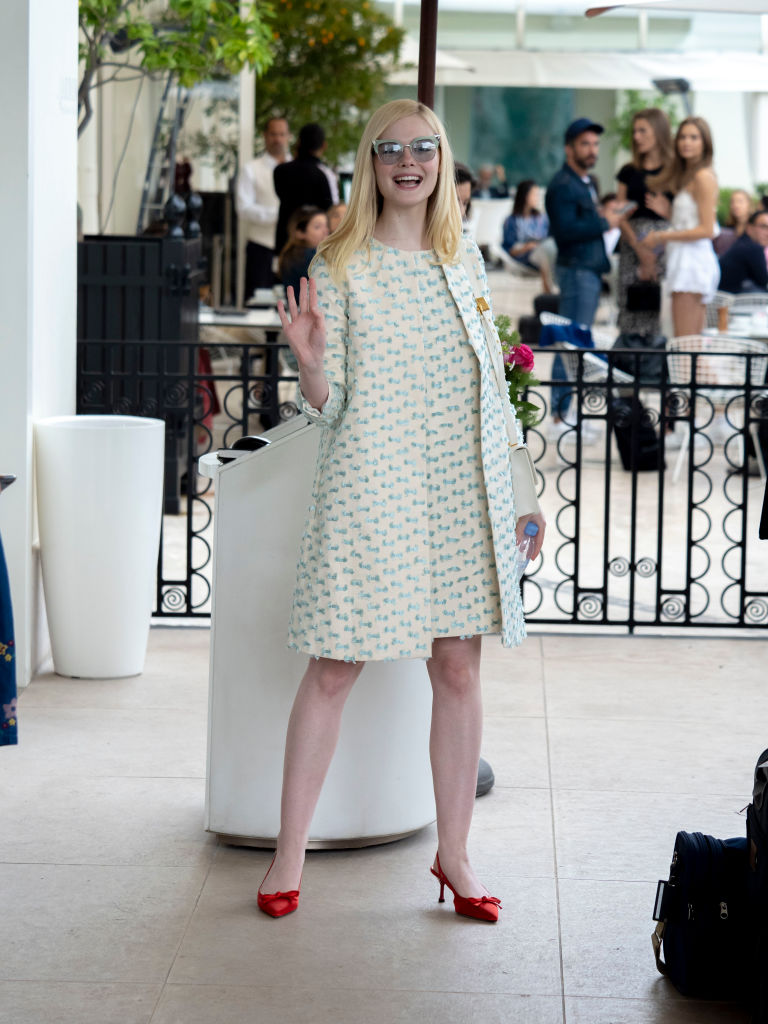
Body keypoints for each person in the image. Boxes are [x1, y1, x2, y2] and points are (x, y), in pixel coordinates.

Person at [263, 98, 546, 923]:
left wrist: (521, 494)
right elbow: (329, 403)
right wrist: (310, 365)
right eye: (392, 150)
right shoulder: (338, 265)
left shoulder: (462, 262)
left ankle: (454, 856)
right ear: (371, 162)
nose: (409, 162)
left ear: (442, 158)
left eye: (424, 147)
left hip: (461, 488)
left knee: (458, 669)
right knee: (334, 665)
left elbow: (493, 392)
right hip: (373, 484)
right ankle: (288, 854)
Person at [545, 118, 623, 424]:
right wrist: (605, 222)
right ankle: (559, 417)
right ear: (569, 149)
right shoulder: (564, 185)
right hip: (577, 271)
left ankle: (564, 413)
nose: (592, 150)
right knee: (571, 344)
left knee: (576, 342)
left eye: (595, 144)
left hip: (586, 271)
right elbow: (564, 230)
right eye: (584, 144)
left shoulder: (583, 182)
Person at [643, 117, 720, 337]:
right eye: (683, 137)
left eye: (694, 137)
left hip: (691, 264)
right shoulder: (689, 177)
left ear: (705, 143)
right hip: (684, 261)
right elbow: (693, 223)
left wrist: (660, 236)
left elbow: (706, 230)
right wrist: (669, 213)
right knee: (688, 343)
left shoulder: (703, 177)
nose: (686, 142)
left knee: (685, 345)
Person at [615, 108, 674, 341]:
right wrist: (640, 249)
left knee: (660, 309)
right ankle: (629, 364)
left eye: (643, 130)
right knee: (631, 307)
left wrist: (666, 211)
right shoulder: (629, 172)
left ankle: (656, 367)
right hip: (632, 247)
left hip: (665, 246)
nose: (637, 136)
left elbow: (682, 218)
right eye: (635, 131)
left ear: (659, 132)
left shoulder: (674, 172)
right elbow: (620, 214)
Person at [236, 117, 291, 296]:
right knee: (257, 303)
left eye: (282, 134)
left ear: (288, 137)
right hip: (261, 248)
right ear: (265, 136)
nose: (278, 139)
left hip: (292, 249)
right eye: (274, 134)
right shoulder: (251, 169)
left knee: (293, 304)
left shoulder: (296, 168)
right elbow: (243, 208)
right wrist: (279, 215)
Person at [274, 123, 338, 255]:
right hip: (316, 246)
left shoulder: (280, 170)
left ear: (298, 142)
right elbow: (331, 210)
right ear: (324, 145)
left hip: (285, 243)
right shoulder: (325, 174)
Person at [277, 206, 330, 302]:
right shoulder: (307, 256)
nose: (325, 231)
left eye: (326, 226)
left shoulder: (292, 253)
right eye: (317, 227)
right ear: (300, 232)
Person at [718, 209, 768, 293]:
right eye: (764, 227)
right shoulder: (752, 248)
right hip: (730, 299)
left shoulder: (743, 242)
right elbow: (764, 281)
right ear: (749, 228)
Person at [715, 188, 756, 257]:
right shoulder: (728, 228)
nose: (735, 205)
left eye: (740, 201)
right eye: (732, 202)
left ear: (749, 204)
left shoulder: (756, 227)